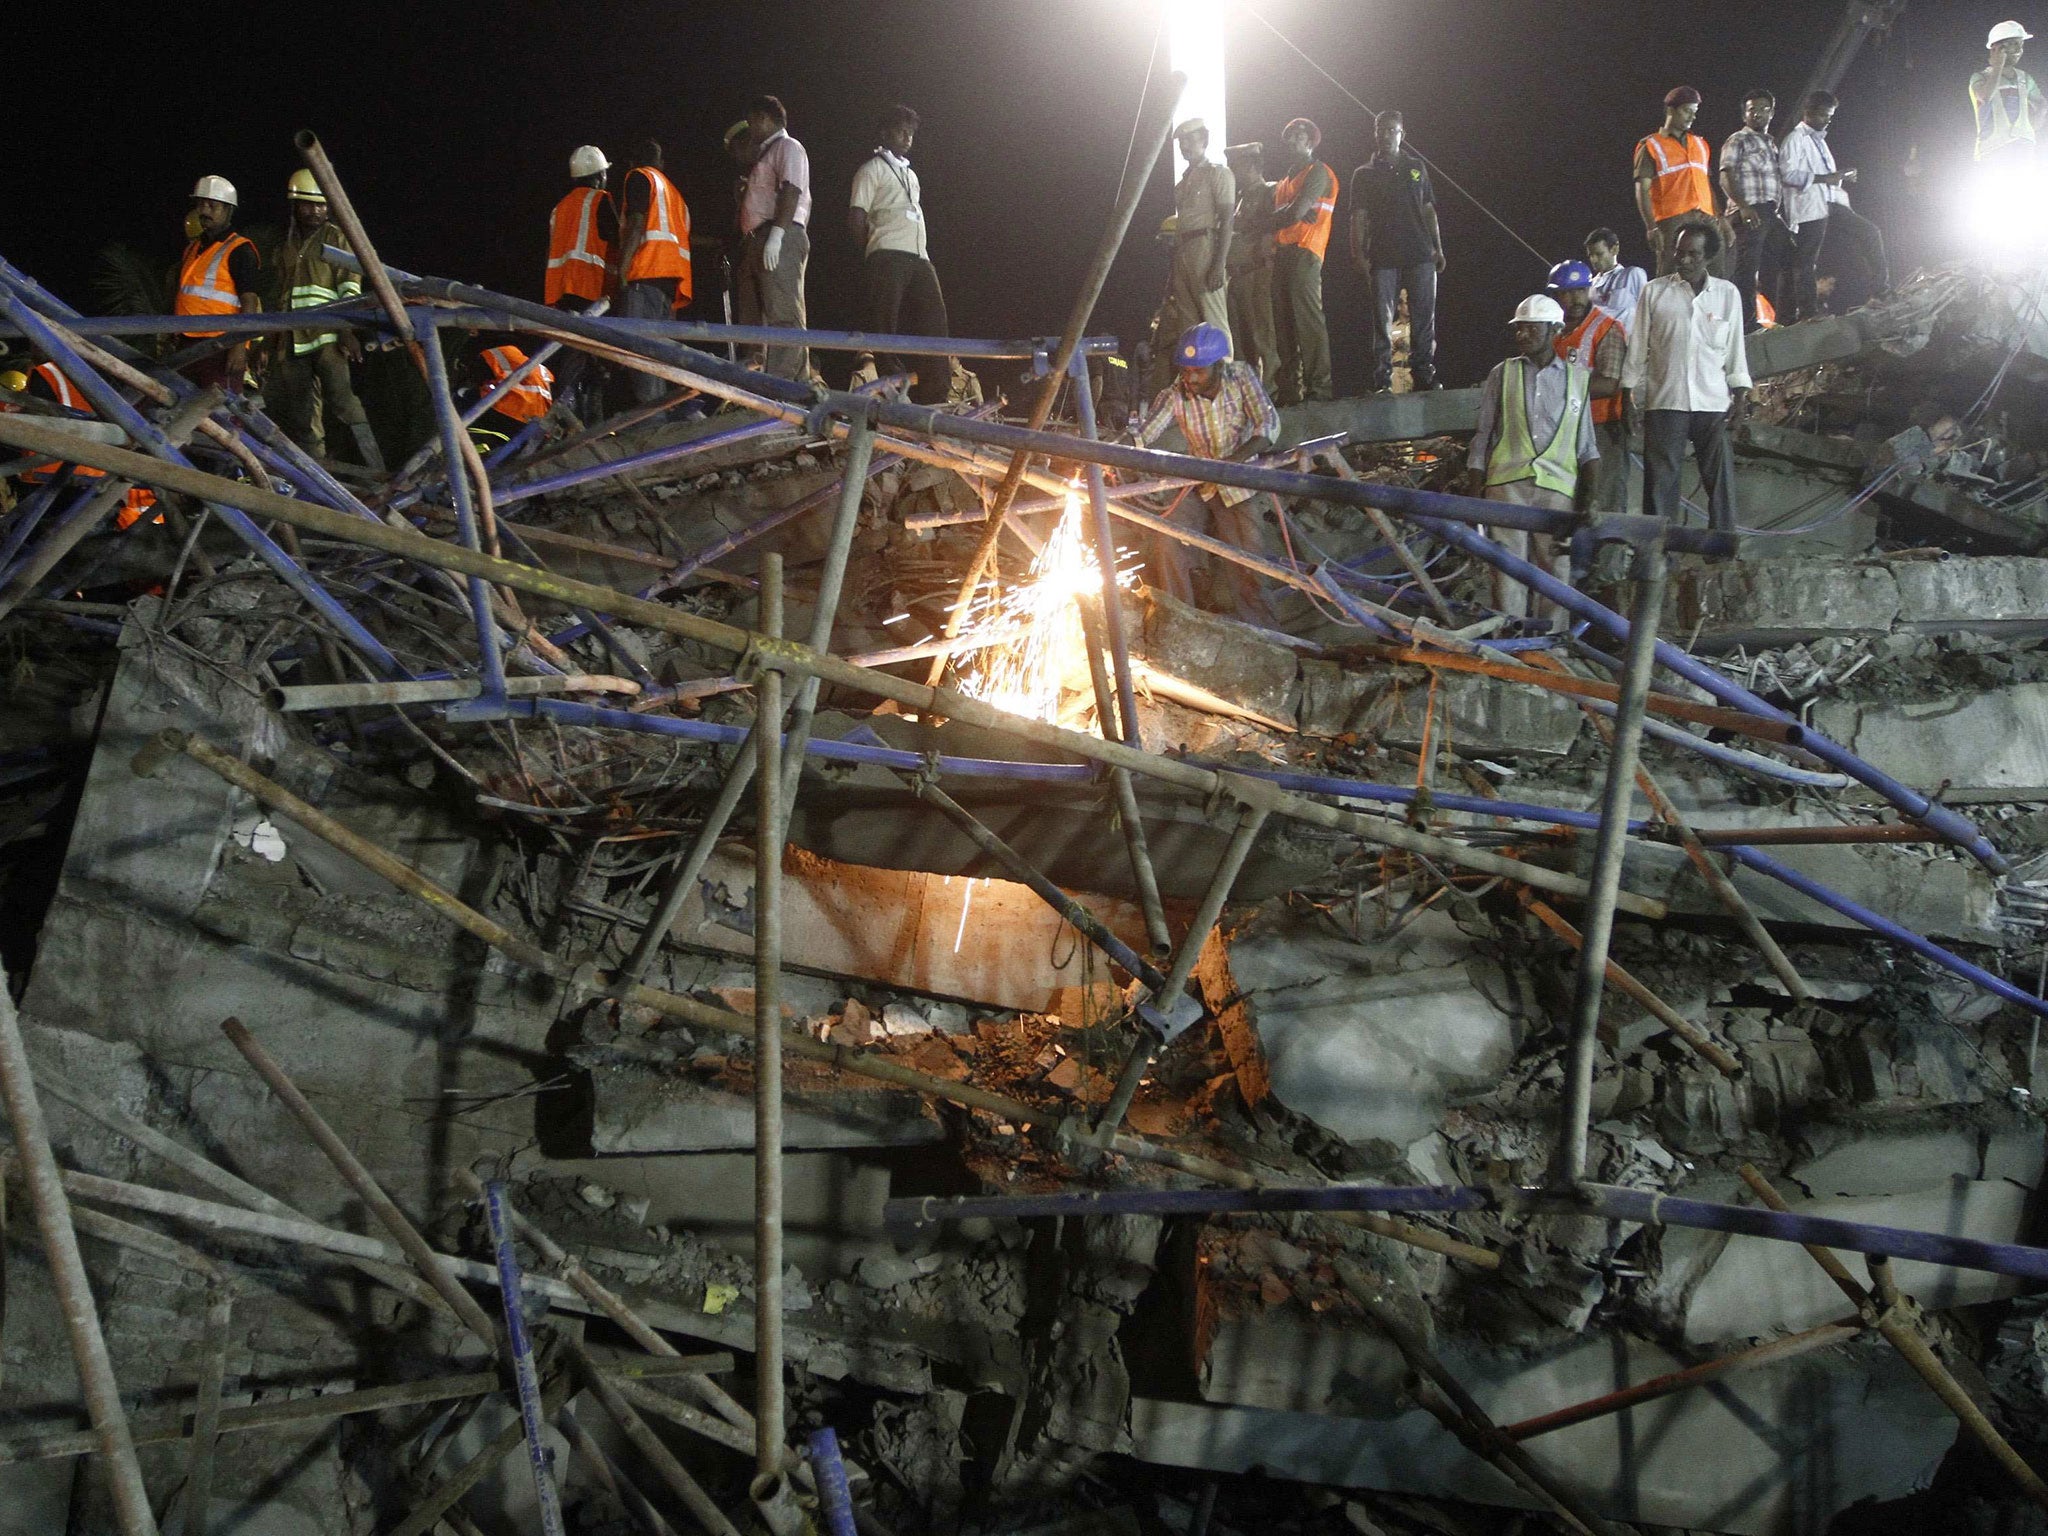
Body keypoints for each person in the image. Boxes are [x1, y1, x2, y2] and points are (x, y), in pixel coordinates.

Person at [1134, 323, 1281, 618]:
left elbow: (1268, 424)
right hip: (1199, 484)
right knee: (1167, 538)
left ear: (1217, 365)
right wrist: (1105, 451)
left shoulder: (1240, 377)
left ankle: (1263, 633)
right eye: (1186, 370)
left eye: (1198, 370)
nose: (1190, 377)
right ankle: (1180, 618)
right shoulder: (1176, 393)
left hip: (1238, 485)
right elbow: (1142, 435)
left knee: (1248, 563)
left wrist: (1233, 463)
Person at [1467, 295, 1597, 619]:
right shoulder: (1502, 373)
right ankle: (1508, 643)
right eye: (1519, 329)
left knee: (1556, 573)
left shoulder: (1577, 379)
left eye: (1531, 329)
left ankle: (1548, 648)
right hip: (1507, 485)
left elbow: (1587, 449)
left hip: (1558, 489)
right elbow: (1483, 435)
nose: (1522, 335)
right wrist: (1474, 493)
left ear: (1554, 330)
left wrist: (1588, 500)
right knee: (1507, 570)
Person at [1622, 226, 1750, 535]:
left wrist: (1741, 396)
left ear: (1708, 257)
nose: (1684, 260)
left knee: (1719, 478)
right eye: (1679, 252)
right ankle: (1657, 549)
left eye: (1693, 254)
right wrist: (1626, 394)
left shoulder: (1727, 294)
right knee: (1660, 482)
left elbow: (1736, 351)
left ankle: (1722, 543)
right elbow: (1637, 347)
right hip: (1666, 401)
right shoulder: (1654, 291)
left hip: (1713, 401)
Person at [268, 170, 383, 471]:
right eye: (308, 204)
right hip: (292, 339)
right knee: (302, 411)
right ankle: (316, 475)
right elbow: (280, 296)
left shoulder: (336, 238)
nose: (316, 210)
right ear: (295, 205)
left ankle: (374, 469)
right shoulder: (285, 246)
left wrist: (346, 330)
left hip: (328, 336)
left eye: (321, 205)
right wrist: (270, 341)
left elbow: (350, 286)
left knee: (343, 402)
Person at [849, 105, 952, 404]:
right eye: (900, 130)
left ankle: (937, 390)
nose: (907, 137)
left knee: (935, 320)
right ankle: (891, 383)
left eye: (910, 132)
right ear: (885, 133)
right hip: (887, 253)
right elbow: (856, 217)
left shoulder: (912, 175)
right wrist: (872, 252)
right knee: (885, 322)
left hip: (919, 255)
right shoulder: (872, 169)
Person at [1349, 109, 1444, 392]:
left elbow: (1429, 209)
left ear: (1403, 135)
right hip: (1383, 254)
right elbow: (1358, 216)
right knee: (1382, 319)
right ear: (1375, 133)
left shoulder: (1416, 166)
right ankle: (1382, 379)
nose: (1387, 135)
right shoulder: (1363, 174)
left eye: (1393, 130)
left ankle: (1424, 373)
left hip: (1419, 252)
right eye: (1382, 129)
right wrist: (1358, 254)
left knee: (1424, 316)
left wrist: (1438, 248)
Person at [1151, 117, 1236, 391]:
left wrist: (1218, 264)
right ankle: (1198, 386)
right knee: (1189, 324)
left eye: (1189, 139)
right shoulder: (1183, 182)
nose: (1184, 146)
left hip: (1205, 246)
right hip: (1184, 249)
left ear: (1204, 139)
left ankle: (1229, 383)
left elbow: (1227, 219)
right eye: (1181, 142)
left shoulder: (1218, 174)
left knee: (1214, 318)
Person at [736, 95, 813, 380]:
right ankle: (763, 381)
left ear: (766, 119)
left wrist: (777, 236)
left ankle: (784, 386)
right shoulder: (765, 155)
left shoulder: (788, 147)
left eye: (753, 122)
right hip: (758, 238)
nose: (751, 129)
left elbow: (791, 189)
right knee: (757, 316)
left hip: (779, 234)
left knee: (783, 313)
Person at [1269, 117, 1339, 405]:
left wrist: (1290, 212)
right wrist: (1291, 211)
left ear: (1311, 141)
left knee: (1308, 324)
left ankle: (1319, 391)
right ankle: (1289, 392)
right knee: (1283, 326)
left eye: (1298, 135)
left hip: (1306, 252)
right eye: (1289, 135)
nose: (1292, 140)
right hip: (1284, 254)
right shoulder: (1286, 181)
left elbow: (1293, 214)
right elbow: (1289, 213)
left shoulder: (1318, 172)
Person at [617, 142, 693, 407]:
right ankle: (664, 417)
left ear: (632, 162)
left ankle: (651, 424)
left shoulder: (640, 177)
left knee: (638, 356)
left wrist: (622, 272)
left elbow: (637, 223)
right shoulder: (675, 195)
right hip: (670, 284)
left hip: (645, 274)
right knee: (658, 357)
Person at [1549, 261, 1627, 516]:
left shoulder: (1607, 328)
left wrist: (1559, 388)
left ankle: (1607, 556)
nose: (1576, 298)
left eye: (1581, 290)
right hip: (1563, 428)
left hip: (1601, 428)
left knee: (1603, 505)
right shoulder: (1552, 331)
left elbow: (1610, 382)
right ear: (1556, 296)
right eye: (1567, 293)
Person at [544, 145, 617, 418]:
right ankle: (574, 420)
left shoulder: (559, 208)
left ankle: (569, 418)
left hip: (560, 292)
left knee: (573, 357)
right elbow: (618, 240)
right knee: (586, 360)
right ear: (598, 176)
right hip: (590, 289)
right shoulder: (599, 200)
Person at [175, 175, 261, 393]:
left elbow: (249, 300)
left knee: (223, 414)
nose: (205, 210)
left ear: (228, 210)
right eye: (201, 204)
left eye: (212, 205)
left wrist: (240, 346)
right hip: (188, 343)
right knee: (182, 408)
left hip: (221, 345)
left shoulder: (240, 250)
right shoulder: (192, 249)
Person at [1778, 92, 1856, 323]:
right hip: (1806, 210)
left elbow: (1826, 178)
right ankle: (1806, 312)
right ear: (1809, 112)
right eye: (1824, 115)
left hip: (1827, 206)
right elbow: (1788, 174)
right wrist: (1826, 179)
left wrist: (1839, 179)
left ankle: (1880, 289)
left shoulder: (1818, 141)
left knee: (1867, 234)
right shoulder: (1795, 139)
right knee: (1804, 261)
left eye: (1830, 116)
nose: (1827, 120)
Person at [1719, 90, 1791, 331]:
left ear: (1771, 112)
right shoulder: (1738, 140)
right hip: (1749, 210)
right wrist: (1743, 207)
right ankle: (1746, 325)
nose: (1757, 114)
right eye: (1751, 109)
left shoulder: (1771, 143)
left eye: (1762, 109)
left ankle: (1772, 320)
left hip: (1771, 212)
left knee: (1778, 264)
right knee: (1746, 270)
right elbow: (1726, 175)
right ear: (1744, 114)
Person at [1635, 88, 1721, 277]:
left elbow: (1707, 183)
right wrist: (1651, 227)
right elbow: (1642, 190)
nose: (1692, 117)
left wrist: (1720, 218)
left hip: (1705, 217)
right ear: (1670, 111)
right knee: (1671, 273)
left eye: (1694, 112)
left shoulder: (1700, 144)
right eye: (1687, 111)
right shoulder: (1651, 145)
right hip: (1672, 220)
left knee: (1715, 271)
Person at [1223, 142, 1278, 386]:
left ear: (1253, 166)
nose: (1232, 171)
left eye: (1237, 166)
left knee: (1261, 336)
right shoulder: (1241, 199)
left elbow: (1270, 230)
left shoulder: (1269, 192)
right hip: (1238, 277)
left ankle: (1272, 391)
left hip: (1256, 274)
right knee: (1242, 341)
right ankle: (1251, 392)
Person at [1973, 20, 2047, 164]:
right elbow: (1985, 96)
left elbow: (2042, 105)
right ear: (1996, 48)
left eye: (2021, 45)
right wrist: (1998, 65)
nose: (2019, 50)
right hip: (1992, 152)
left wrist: (2030, 129)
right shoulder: (1981, 77)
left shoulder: (2025, 78)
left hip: (2023, 150)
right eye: (2014, 44)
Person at [469, 345, 555, 455]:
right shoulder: (539, 368)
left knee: (463, 398)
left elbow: (479, 375)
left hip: (513, 408)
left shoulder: (494, 354)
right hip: (535, 419)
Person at [1585, 228, 1648, 330]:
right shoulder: (1589, 286)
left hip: (1627, 343)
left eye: (1599, 254)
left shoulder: (1632, 274)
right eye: (1590, 255)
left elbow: (1648, 310)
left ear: (1614, 249)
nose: (1593, 259)